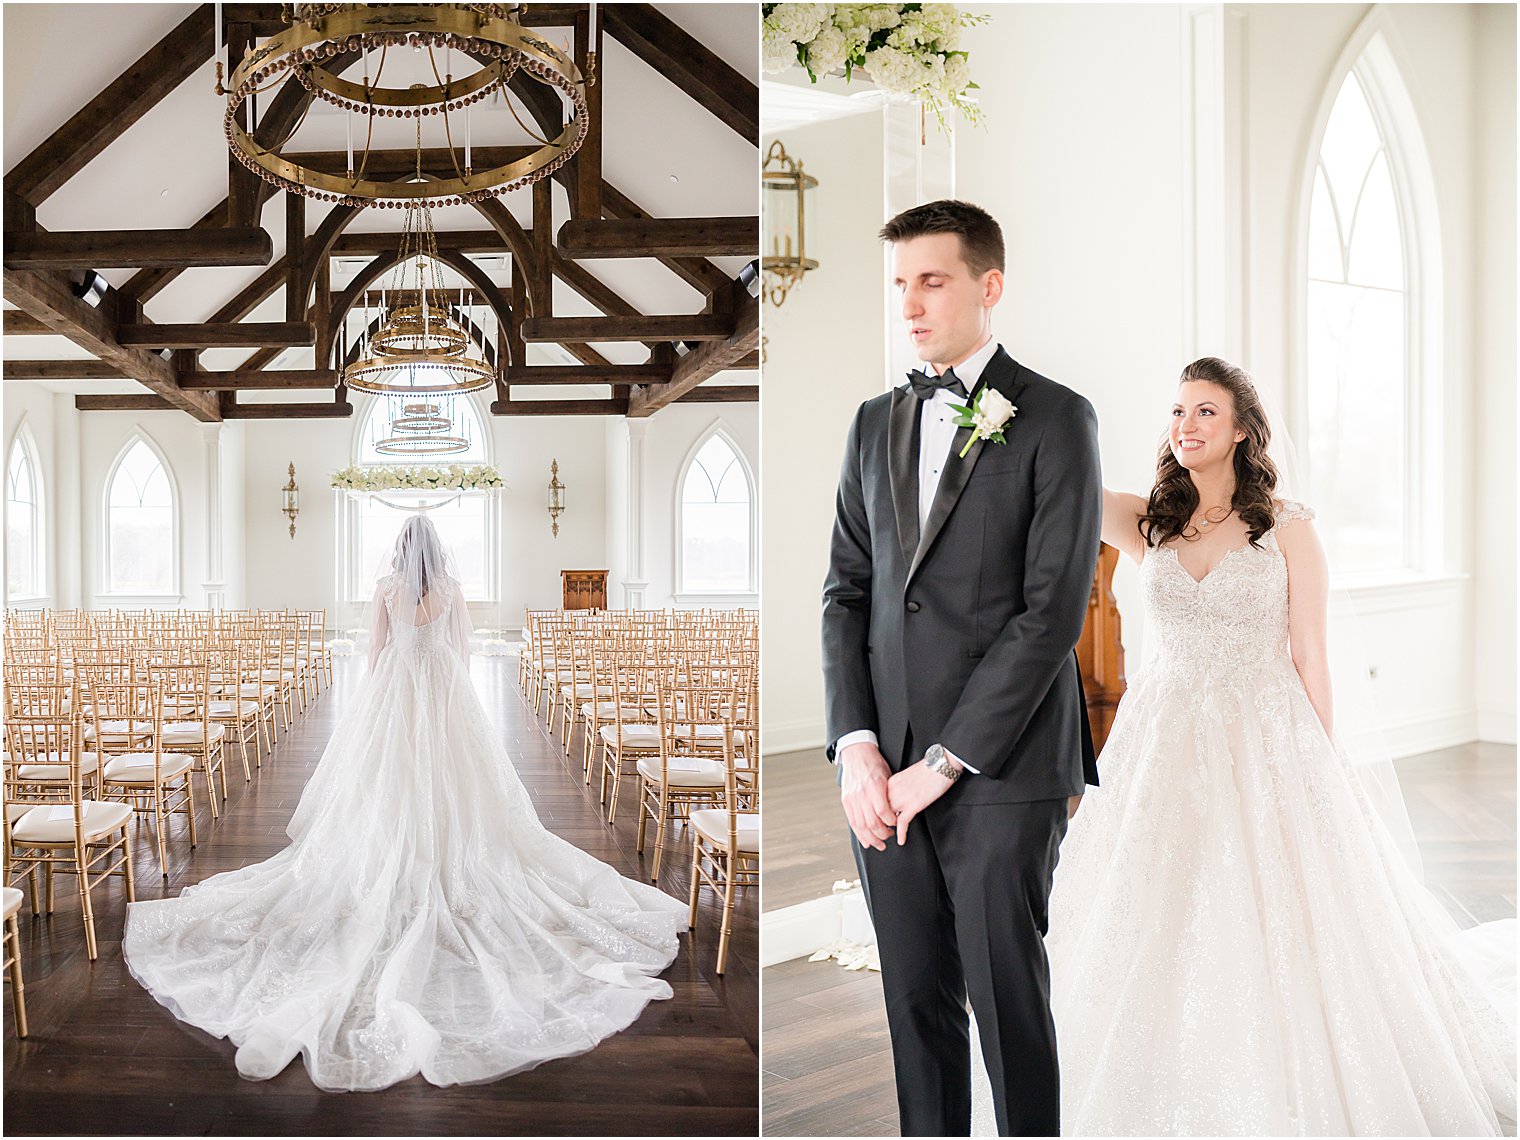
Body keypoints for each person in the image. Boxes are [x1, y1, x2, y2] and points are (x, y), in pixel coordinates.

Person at [1044, 357, 1516, 1134]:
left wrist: (1322, 761)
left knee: (1283, 906)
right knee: (1157, 896)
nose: (1185, 425)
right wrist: (998, 418)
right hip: (1163, 736)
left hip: (1265, 731)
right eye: (1177, 411)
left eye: (1204, 411)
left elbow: (1311, 654)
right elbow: (1061, 486)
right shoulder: (1148, 519)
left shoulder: (1288, 526)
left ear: (1240, 430)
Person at [123, 515, 686, 1092]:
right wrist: (450, 691)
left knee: (384, 785)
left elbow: (374, 651)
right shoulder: (451, 592)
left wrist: (376, 701)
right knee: (455, 783)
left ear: (400, 550)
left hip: (397, 688)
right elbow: (462, 651)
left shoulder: (387, 590)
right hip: (441, 689)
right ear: (437, 552)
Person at [821, 199, 1102, 1137]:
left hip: (1002, 769)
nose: (911, 303)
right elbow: (846, 594)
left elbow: (1050, 611)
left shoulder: (1059, 417)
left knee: (1006, 1011)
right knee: (912, 1008)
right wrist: (859, 751)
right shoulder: (871, 423)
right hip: (881, 776)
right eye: (900, 284)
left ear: (989, 286)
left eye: (931, 281)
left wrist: (940, 766)